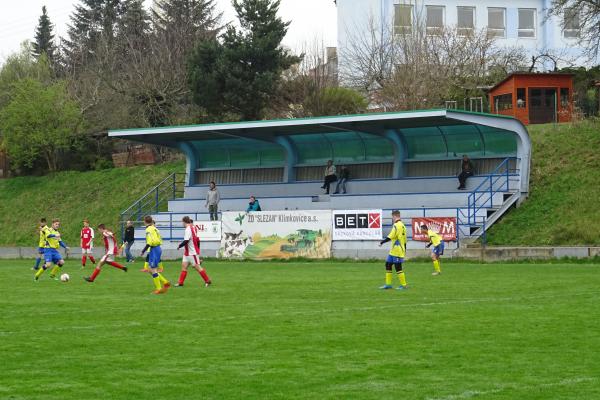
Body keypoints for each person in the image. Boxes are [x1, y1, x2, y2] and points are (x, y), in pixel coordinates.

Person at [175, 216, 212, 288]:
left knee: (197, 267)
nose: (182, 223)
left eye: (182, 222)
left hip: (192, 252)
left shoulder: (188, 229)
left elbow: (186, 240)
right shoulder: (193, 228)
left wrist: (179, 246)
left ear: (184, 222)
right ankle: (180, 283)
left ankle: (207, 281)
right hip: (187, 252)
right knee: (184, 266)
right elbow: (196, 239)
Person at [378, 210, 408, 290]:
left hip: (397, 250)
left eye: (392, 217)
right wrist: (405, 249)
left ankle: (404, 285)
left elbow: (390, 236)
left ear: (394, 216)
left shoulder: (396, 225)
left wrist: (382, 242)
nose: (392, 218)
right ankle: (388, 284)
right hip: (394, 250)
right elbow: (405, 240)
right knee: (388, 264)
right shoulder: (403, 226)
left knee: (398, 267)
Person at [140, 215, 170, 294]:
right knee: (150, 269)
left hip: (154, 249)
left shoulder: (148, 229)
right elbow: (160, 238)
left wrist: (143, 250)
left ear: (145, 221)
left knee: (153, 269)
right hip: (157, 248)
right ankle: (165, 282)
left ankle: (159, 289)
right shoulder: (155, 228)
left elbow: (149, 242)